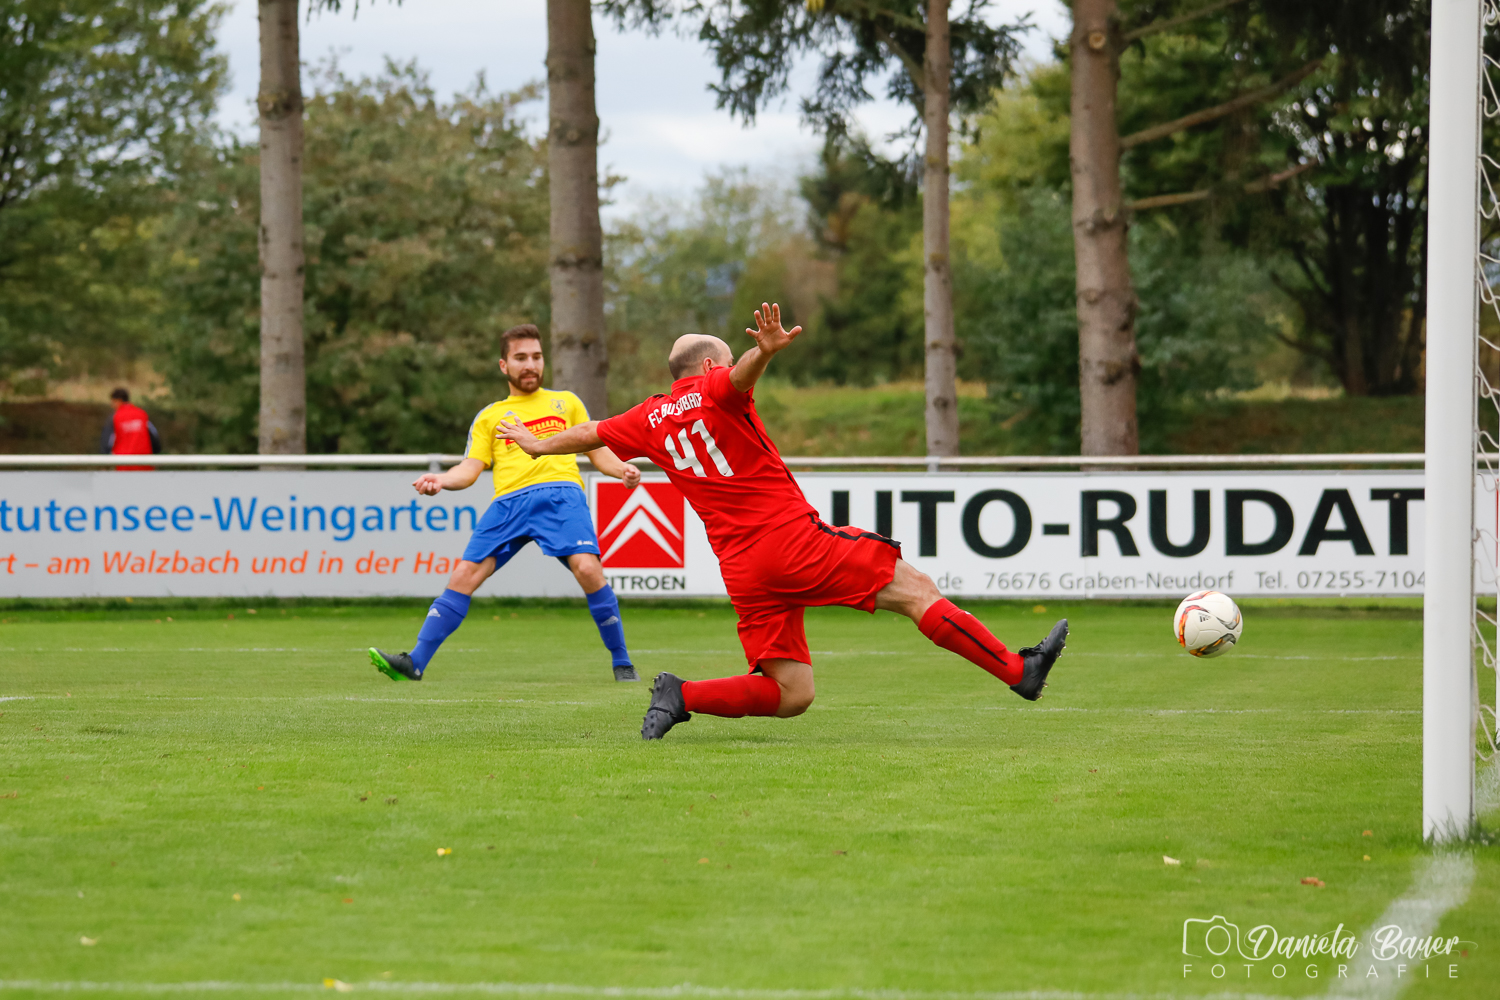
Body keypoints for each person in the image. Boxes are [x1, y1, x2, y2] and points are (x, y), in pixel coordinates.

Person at [497, 303, 1068, 739]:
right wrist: (765, 351)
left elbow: (590, 431)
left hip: (744, 570)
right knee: (917, 591)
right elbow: (740, 378)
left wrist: (533, 441)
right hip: (790, 541)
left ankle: (681, 694)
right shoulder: (715, 388)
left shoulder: (646, 417)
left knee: (792, 692)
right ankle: (1019, 671)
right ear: (707, 365)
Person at [368, 324, 644, 684]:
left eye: (536, 357)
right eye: (521, 358)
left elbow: (596, 450)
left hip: (560, 494)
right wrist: (441, 480)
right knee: (463, 576)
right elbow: (469, 470)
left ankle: (622, 662)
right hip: (509, 504)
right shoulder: (490, 416)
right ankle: (415, 662)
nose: (530, 365)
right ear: (504, 365)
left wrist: (622, 469)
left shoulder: (568, 402)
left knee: (589, 570)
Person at [102, 388, 162, 472]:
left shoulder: (115, 417)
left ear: (118, 401)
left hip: (123, 467)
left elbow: (107, 442)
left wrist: (104, 462)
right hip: (144, 466)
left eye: (113, 402)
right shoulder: (142, 414)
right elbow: (154, 438)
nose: (112, 405)